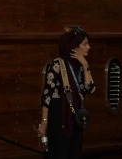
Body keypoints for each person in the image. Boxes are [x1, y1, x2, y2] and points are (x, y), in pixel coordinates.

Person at [38, 30, 96, 159]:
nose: (89, 47)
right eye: (85, 44)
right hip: (59, 116)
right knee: (59, 153)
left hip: (76, 117)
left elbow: (90, 89)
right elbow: (47, 96)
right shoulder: (57, 65)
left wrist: (85, 65)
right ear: (74, 47)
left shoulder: (80, 66)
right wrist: (44, 122)